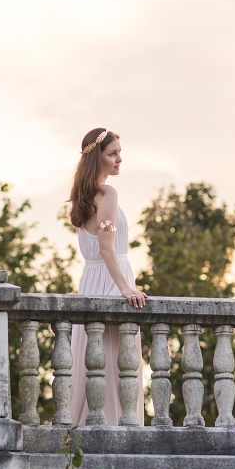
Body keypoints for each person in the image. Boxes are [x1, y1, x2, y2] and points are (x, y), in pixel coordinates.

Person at [68, 128, 147, 426]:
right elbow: (106, 246)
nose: (119, 159)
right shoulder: (108, 195)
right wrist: (125, 287)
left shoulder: (83, 197)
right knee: (115, 368)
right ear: (97, 158)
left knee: (94, 368)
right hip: (110, 281)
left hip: (92, 280)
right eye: (113, 153)